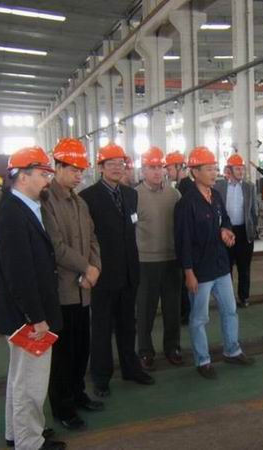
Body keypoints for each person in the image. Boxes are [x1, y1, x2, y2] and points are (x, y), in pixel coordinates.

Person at [0, 146, 66, 450]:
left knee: (20, 379)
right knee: (31, 384)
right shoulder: (13, 214)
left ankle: (17, 434)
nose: (48, 180)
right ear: (23, 176)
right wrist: (36, 317)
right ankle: (30, 443)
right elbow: (19, 274)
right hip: (27, 317)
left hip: (21, 314)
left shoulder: (22, 207)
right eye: (43, 174)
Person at [80, 143, 154, 397]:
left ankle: (131, 368)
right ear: (100, 168)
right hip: (103, 274)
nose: (116, 168)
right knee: (101, 329)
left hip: (129, 272)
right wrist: (90, 268)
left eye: (120, 164)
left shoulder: (131, 195)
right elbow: (86, 238)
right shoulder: (88, 198)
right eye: (110, 164)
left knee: (127, 325)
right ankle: (101, 377)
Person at [174, 146, 254, 380]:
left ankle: (232, 350)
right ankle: (203, 360)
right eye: (209, 169)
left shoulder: (216, 196)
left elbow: (225, 220)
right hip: (200, 271)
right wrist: (189, 272)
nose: (214, 173)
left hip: (220, 266)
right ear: (195, 172)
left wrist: (226, 231)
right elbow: (182, 241)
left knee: (230, 310)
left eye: (215, 168)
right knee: (200, 318)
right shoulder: (186, 203)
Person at [41, 138, 104, 430]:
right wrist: (86, 267)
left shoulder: (80, 202)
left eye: (81, 170)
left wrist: (95, 268)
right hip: (63, 291)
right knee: (63, 355)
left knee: (81, 349)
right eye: (74, 170)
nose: (79, 175)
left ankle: (78, 394)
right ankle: (63, 408)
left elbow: (92, 239)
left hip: (84, 289)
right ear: (57, 167)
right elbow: (56, 247)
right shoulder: (47, 202)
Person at [135, 147, 183, 371]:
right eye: (151, 167)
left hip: (172, 260)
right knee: (145, 310)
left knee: (172, 308)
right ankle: (145, 352)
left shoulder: (174, 195)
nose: (156, 172)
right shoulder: (134, 196)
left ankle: (172, 348)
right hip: (145, 262)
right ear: (143, 170)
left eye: (159, 167)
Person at [215, 153, 259, 308]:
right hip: (226, 232)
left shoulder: (249, 187)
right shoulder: (219, 186)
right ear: (229, 170)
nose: (241, 172)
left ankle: (244, 297)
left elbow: (254, 211)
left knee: (244, 268)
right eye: (238, 169)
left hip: (244, 233)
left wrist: (253, 229)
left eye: (242, 169)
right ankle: (226, 298)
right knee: (225, 268)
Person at [165, 150, 194, 324]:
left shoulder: (185, 189)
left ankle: (187, 312)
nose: (167, 172)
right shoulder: (182, 187)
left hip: (186, 243)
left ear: (178, 167)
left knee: (185, 281)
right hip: (184, 242)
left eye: (169, 168)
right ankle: (185, 311)